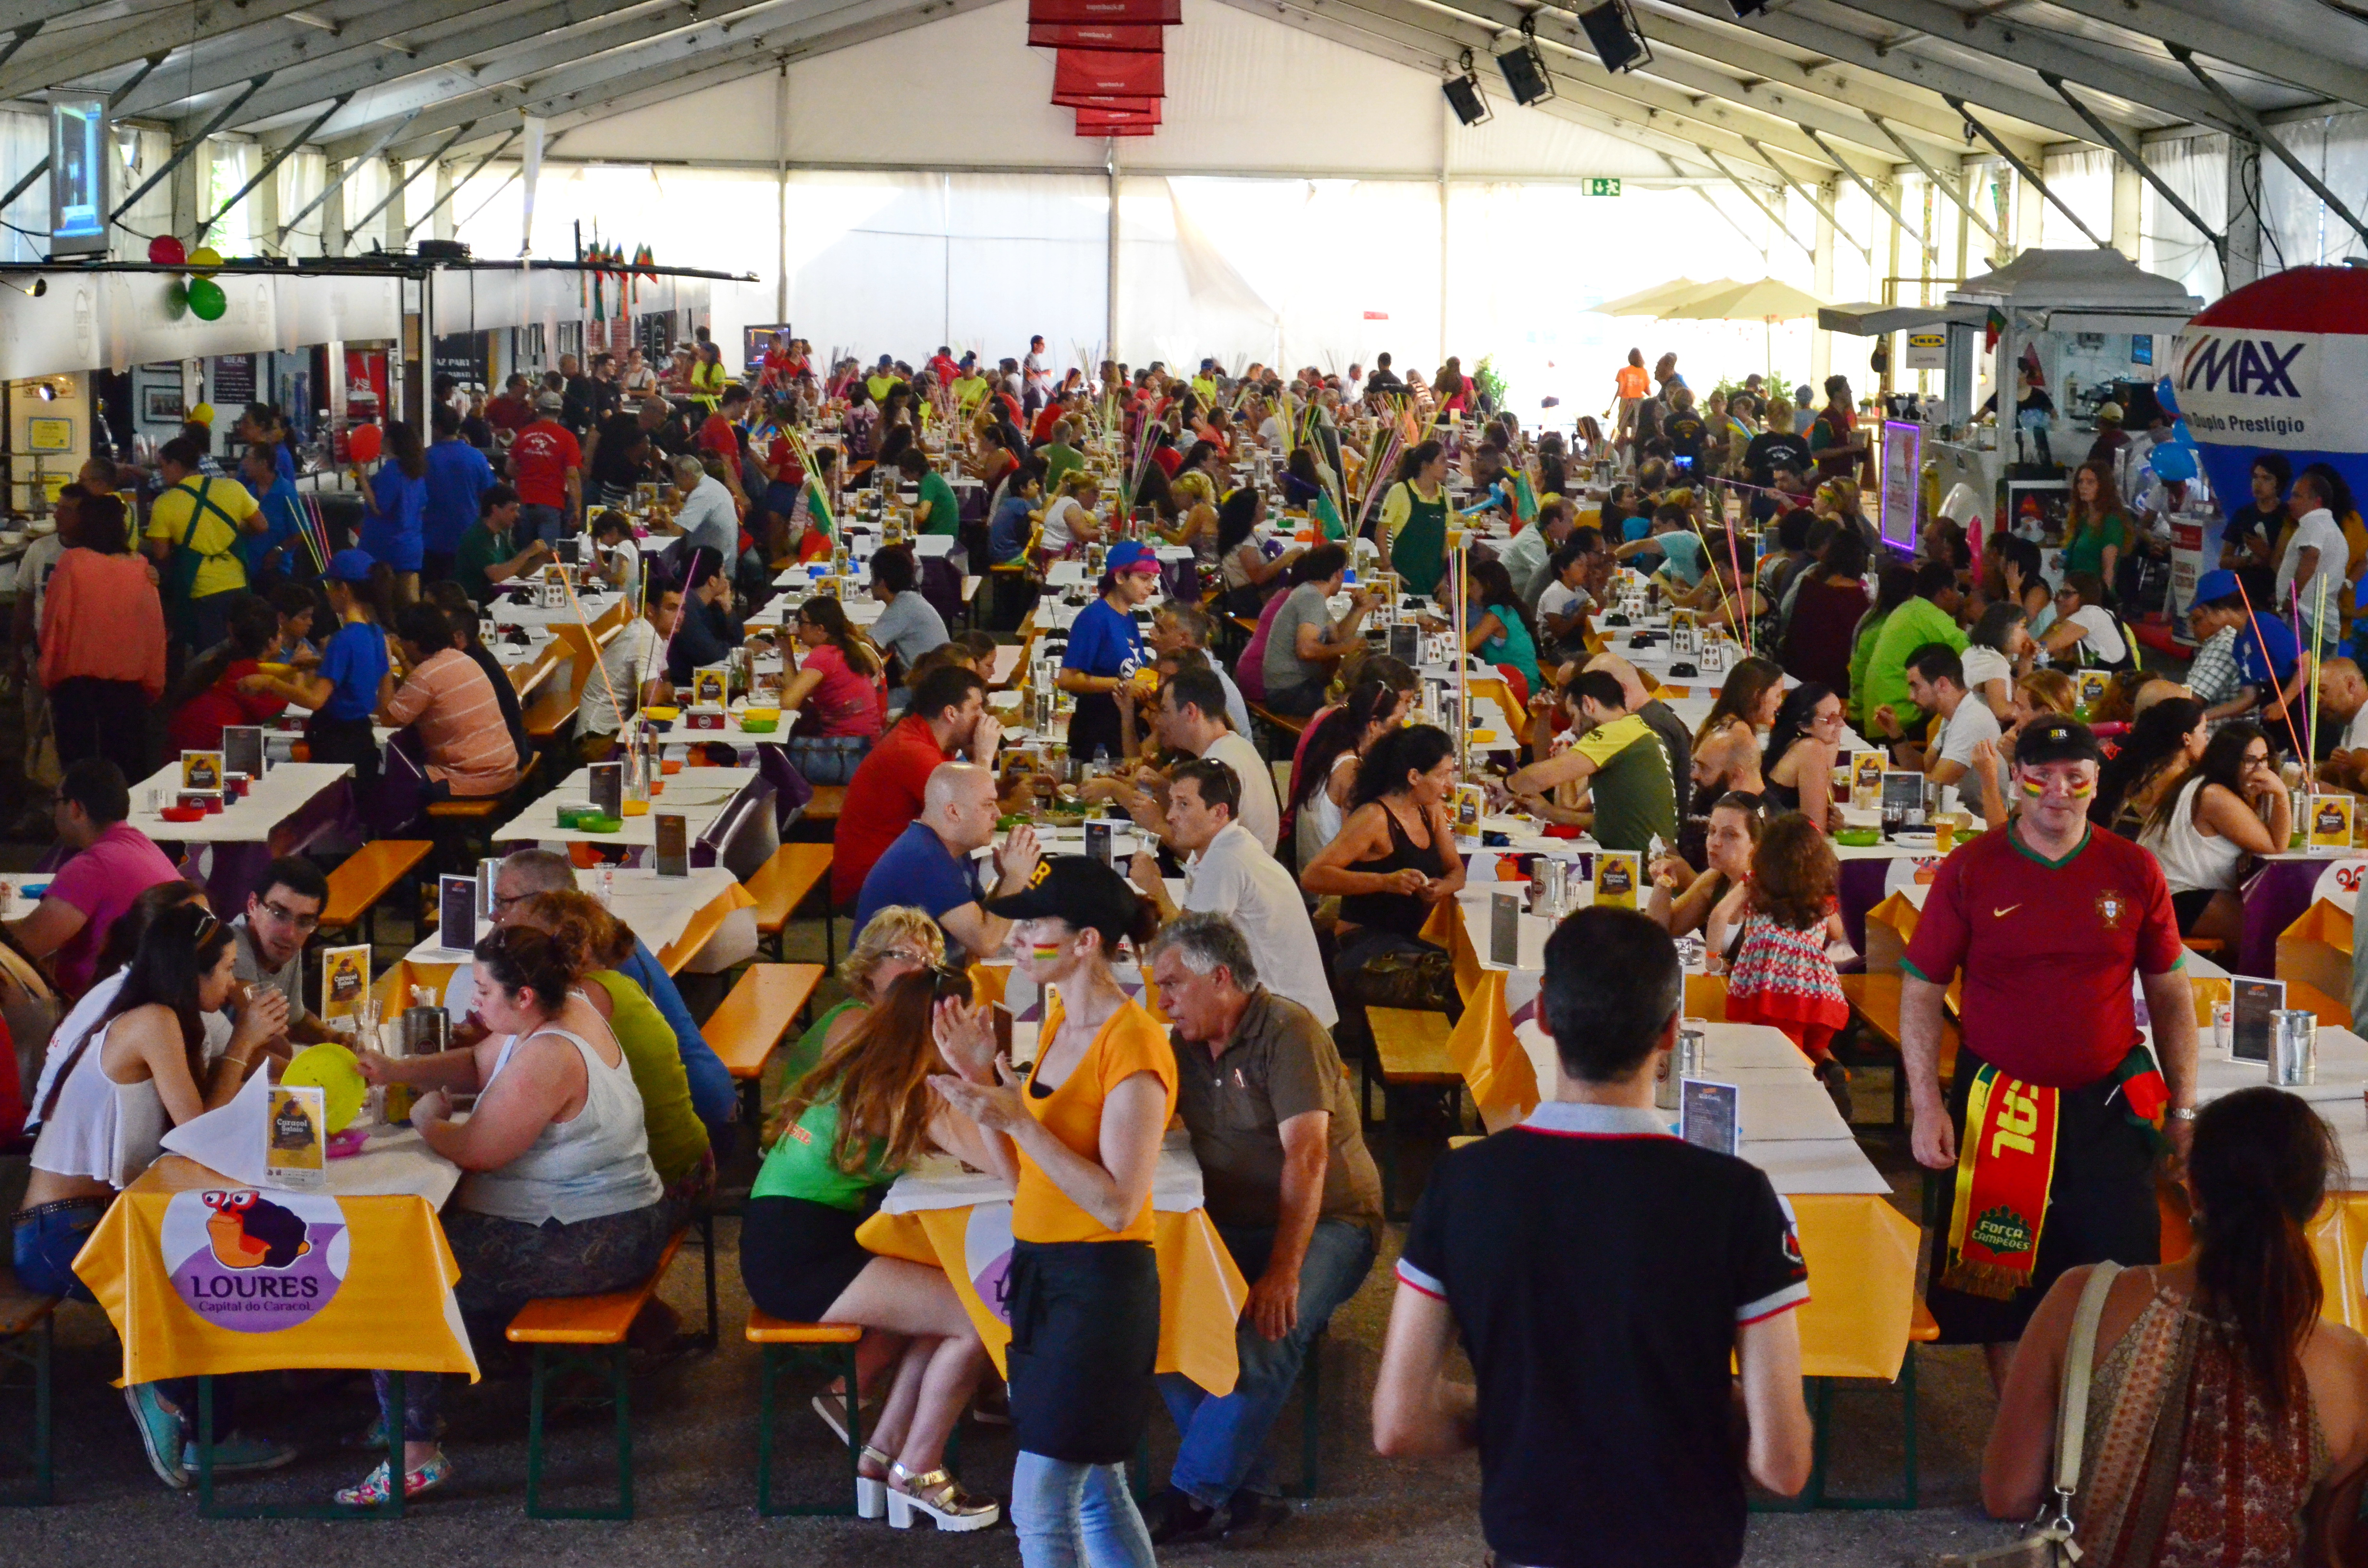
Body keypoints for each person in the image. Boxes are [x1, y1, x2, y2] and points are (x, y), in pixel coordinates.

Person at [1371, 906, 1813, 1566]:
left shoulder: (1463, 1185)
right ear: (1670, 1030)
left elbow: (1400, 1423)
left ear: (1543, 1016)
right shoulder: (1737, 1196)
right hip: (1685, 1541)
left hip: (1535, 1539)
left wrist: (1522, 1405)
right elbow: (1783, 1464)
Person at [1903, 714, 2196, 1384]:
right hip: (2001, 1110)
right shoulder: (1971, 868)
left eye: (2075, 780)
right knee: (1998, 1293)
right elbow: (1921, 990)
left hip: (2107, 1105)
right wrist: (1925, 1104)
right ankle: (2021, 1435)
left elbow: (2173, 995)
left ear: (2097, 784)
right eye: (2040, 781)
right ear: (2016, 781)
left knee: (2120, 1276)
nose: (2057, 795)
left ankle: (2094, 1433)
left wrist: (2184, 1106)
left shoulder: (2133, 868)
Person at [1981, 1088, 2368, 1566]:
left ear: (2192, 1187)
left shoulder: (2082, 1300)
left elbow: (2007, 1495)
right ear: (2315, 1205)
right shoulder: (2348, 1366)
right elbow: (2328, 1550)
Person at [351, 926, 666, 1503]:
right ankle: (415, 1396)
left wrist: (426, 1122)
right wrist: (393, 1072)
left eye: (482, 990)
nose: (473, 1002)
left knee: (397, 1274)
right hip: (615, 1218)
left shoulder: (548, 1054)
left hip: (589, 1238)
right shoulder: (565, 1007)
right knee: (418, 1245)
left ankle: (414, 1454)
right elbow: (476, 1064)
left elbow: (477, 1151)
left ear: (522, 996)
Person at [923, 857, 1173, 1568]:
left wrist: (1021, 1121)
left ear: (1087, 941)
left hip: (1099, 1288)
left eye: (1035, 924)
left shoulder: (1135, 1046)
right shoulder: (1059, 1022)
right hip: (1045, 1276)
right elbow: (1024, 1180)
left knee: (1041, 1501)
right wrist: (982, 1088)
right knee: (1095, 1486)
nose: (1017, 937)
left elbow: (1121, 1203)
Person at [17, 903, 294, 1485]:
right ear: (187, 973)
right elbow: (202, 1140)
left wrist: (254, 1045)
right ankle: (174, 1407)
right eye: (222, 970)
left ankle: (201, 1420)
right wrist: (244, 1041)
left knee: (225, 1264)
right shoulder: (152, 1021)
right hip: (59, 1232)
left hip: (105, 1219)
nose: (231, 982)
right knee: (210, 1282)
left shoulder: (171, 1018)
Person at [1138, 913, 1377, 1546]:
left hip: (1330, 1222)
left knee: (1267, 1335)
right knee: (1160, 1324)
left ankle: (1192, 1495)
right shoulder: (1179, 1044)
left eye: (1172, 986)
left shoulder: (1288, 1031)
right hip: (1230, 1223)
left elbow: (1309, 1157)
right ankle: (1253, 1489)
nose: (1161, 1002)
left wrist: (1283, 1271)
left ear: (1221, 979)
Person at [743, 962, 1007, 1530]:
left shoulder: (874, 1064)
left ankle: (883, 1456)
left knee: (944, 1309)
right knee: (977, 1313)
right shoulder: (912, 1091)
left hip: (785, 1238)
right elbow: (1006, 1165)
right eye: (974, 1017)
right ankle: (920, 1472)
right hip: (799, 1257)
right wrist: (978, 1069)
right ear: (946, 1025)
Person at [444, 849, 734, 1149]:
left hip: (700, 1115)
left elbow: (518, 1070)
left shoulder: (586, 980)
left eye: (504, 902)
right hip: (708, 1095)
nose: (494, 915)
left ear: (544, 903)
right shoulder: (599, 933)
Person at [512, 889, 713, 1223]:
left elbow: (508, 1081)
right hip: (693, 1160)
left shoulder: (579, 999)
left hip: (666, 1180)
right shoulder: (614, 982)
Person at [1128, 759, 1334, 1024]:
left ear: (1218, 812)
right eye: (1172, 802)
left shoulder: (1227, 859)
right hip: (1280, 1012)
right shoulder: (1221, 849)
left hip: (1291, 1027)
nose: (1169, 816)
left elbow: (1190, 948)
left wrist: (1155, 887)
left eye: (1184, 804)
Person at [1303, 725, 1468, 1034]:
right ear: (1414, 776)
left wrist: (1441, 888)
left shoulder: (1429, 809)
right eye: (1443, 775)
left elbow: (1456, 871)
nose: (1449, 785)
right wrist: (1384, 882)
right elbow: (1313, 876)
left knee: (1471, 977)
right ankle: (1424, 1077)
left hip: (1409, 943)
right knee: (1457, 985)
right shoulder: (1374, 818)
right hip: (1365, 950)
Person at [7, 759, 182, 997]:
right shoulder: (140, 845)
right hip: (159, 995)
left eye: (56, 802)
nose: (54, 812)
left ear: (76, 809)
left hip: (120, 1009)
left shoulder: (91, 866)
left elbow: (22, 948)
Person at [833, 663, 1002, 908]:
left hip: (899, 868)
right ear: (951, 713)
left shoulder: (927, 740)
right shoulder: (913, 751)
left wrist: (1008, 787)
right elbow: (971, 823)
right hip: (870, 884)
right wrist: (985, 756)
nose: (983, 719)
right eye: (976, 709)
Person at [1716, 812, 1852, 1109]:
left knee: (1785, 1059)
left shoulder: (1755, 886)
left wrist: (1713, 961)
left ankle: (1793, 1107)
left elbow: (1720, 915)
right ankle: (1832, 1071)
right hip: (1818, 991)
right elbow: (1838, 931)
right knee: (1816, 1045)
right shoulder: (1819, 896)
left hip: (1775, 992)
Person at [855, 762, 1041, 962]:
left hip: (920, 978)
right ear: (953, 812)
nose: (998, 814)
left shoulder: (949, 847)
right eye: (988, 804)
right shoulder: (926, 860)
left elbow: (981, 919)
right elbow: (986, 944)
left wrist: (1005, 878)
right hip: (892, 989)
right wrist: (1015, 879)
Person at [238, 550, 391, 785]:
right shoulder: (377, 634)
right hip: (363, 737)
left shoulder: (343, 639)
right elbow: (383, 694)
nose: (327, 594)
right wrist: (321, 663)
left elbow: (315, 700)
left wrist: (270, 682)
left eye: (330, 586)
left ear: (345, 590)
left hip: (334, 742)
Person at [41, 493, 166, 780]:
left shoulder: (72, 562)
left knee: (80, 772)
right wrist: (154, 683)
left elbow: (54, 624)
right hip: (128, 688)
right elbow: (153, 630)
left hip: (76, 688)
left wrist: (47, 674)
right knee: (128, 771)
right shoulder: (140, 567)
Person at [2138, 723, 2288, 945]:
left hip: (2164, 894)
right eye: (2250, 761)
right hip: (2175, 898)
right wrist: (2281, 793)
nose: (2261, 770)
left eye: (2264, 759)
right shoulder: (2214, 795)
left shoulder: (2197, 781)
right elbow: (2277, 845)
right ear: (2228, 761)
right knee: (2269, 937)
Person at [1505, 669, 1678, 854]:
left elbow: (1539, 778)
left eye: (1574, 717)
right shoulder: (1635, 730)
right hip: (1637, 861)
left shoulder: (1617, 733)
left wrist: (1506, 786)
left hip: (1637, 871)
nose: (1574, 728)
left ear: (1588, 705)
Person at [382, 601, 521, 801]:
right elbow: (424, 689)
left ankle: (419, 833)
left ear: (413, 643)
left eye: (402, 641)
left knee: (390, 781)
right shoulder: (463, 659)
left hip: (470, 781)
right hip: (504, 770)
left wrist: (385, 665)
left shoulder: (426, 674)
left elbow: (388, 719)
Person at [1138, 666, 1280, 854]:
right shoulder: (1235, 745)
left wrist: (1156, 824)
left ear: (1190, 711)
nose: (1159, 722)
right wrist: (1165, 788)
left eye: (1165, 711)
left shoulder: (1219, 764)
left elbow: (1205, 857)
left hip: (1237, 879)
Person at [144, 434, 259, 650]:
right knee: (243, 652)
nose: (161, 473)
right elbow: (261, 526)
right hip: (239, 584)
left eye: (163, 466)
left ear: (176, 465)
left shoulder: (165, 503)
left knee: (211, 658)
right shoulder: (232, 488)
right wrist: (231, 532)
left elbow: (161, 554)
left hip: (201, 591)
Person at [1059, 540, 1158, 766]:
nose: (1151, 586)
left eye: (1153, 579)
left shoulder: (1128, 617)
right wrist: (1123, 685)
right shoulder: (1094, 618)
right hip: (1096, 732)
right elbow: (1066, 679)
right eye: (1144, 579)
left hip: (1120, 725)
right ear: (1120, 578)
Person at [776, 595, 886, 785]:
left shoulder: (823, 655)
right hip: (867, 748)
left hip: (847, 754)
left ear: (820, 629)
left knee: (771, 756)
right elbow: (797, 691)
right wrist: (787, 651)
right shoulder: (846, 647)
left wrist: (786, 657)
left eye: (801, 622)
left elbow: (787, 703)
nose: (797, 628)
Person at [231, 855, 339, 1048]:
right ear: (253, 905)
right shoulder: (229, 946)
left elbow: (295, 1021)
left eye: (304, 921)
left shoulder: (283, 945)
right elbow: (270, 1036)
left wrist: (335, 1038)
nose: (290, 933)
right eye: (278, 914)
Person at [1259, 544, 1374, 718]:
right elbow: (1306, 650)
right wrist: (1346, 649)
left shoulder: (1310, 593)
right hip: (1288, 693)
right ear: (1338, 573)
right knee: (1359, 706)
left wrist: (1358, 609)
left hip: (1290, 687)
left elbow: (1338, 637)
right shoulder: (1311, 597)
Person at [1872, 643, 1999, 793]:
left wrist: (1882, 772)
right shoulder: (1953, 715)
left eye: (1916, 686)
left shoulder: (1972, 720)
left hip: (1976, 815)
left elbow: (1935, 786)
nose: (1911, 696)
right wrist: (1896, 735)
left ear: (1942, 684)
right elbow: (1923, 767)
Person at [574, 578, 677, 761]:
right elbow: (653, 698)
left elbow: (667, 686)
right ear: (651, 610)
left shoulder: (656, 634)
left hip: (619, 731)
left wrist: (663, 690)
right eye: (672, 608)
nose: (680, 616)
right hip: (598, 740)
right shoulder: (644, 638)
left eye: (682, 609)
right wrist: (663, 691)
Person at [1859, 560, 1966, 731]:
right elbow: (1971, 656)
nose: (1959, 597)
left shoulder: (1907, 608)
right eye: (1956, 590)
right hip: (1898, 718)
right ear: (1945, 592)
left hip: (1876, 715)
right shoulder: (1932, 617)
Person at [2184, 569, 2298, 724]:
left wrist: (2283, 703)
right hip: (2273, 712)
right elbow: (2250, 696)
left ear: (2219, 609)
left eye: (2203, 613)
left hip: (2299, 708)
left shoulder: (2264, 624)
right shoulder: (2239, 642)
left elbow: (2306, 663)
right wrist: (2204, 717)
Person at [1649, 790, 1761, 938]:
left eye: (1730, 835)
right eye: (1712, 831)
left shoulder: (1769, 891)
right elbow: (1656, 936)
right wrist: (1663, 882)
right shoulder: (1716, 880)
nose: (1715, 842)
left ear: (1756, 845)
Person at [1688, 657, 1782, 812]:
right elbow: (1756, 794)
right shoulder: (1740, 735)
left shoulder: (1718, 721)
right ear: (1757, 696)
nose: (1779, 703)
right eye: (1777, 695)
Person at [1147, 602, 1253, 735]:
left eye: (1161, 630)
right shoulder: (1192, 664)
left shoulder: (1198, 675)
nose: (1151, 632)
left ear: (1183, 639)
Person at [2279, 467, 2352, 654]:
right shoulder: (2335, 532)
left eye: (2297, 496)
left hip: (2305, 618)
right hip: (2324, 622)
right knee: (2320, 681)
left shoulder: (2314, 522)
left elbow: (2311, 558)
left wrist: (2291, 598)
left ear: (2317, 502)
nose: (2290, 502)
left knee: (2299, 679)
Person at [422, 404, 497, 585]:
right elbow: (490, 495)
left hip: (432, 540)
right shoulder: (477, 458)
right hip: (469, 537)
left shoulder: (425, 459)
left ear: (437, 428)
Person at [867, 545, 950, 687]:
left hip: (928, 690)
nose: (869, 583)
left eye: (872, 577)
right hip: (939, 682)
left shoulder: (901, 608)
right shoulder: (909, 600)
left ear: (882, 582)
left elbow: (867, 647)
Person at [1760, 682, 1843, 825]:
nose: (1842, 724)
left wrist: (1833, 822)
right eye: (1831, 719)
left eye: (1841, 715)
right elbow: (1815, 830)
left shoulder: (1789, 745)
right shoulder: (1811, 749)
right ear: (1804, 726)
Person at [453, 483, 549, 604]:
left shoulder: (499, 535)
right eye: (513, 510)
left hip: (491, 600)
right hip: (477, 603)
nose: (517, 515)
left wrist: (542, 559)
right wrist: (527, 553)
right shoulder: (478, 537)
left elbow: (520, 571)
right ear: (495, 509)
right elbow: (496, 576)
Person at [1377, 441, 1450, 595]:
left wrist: (1446, 577)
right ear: (1426, 465)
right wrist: (1389, 570)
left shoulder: (1445, 495)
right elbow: (1381, 535)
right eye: (1442, 461)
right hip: (1405, 579)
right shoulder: (1400, 492)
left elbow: (1446, 542)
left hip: (1435, 582)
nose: (1447, 467)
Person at [2218, 453, 2289, 609]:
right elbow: (2224, 560)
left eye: (2267, 479)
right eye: (2256, 477)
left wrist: (2267, 554)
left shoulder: (2288, 517)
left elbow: (2293, 565)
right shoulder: (2243, 514)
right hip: (2244, 594)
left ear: (2279, 483)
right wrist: (2248, 561)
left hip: (2276, 597)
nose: (2258, 484)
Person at [2062, 462, 2135, 591]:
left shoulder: (2111, 522)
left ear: (2103, 486)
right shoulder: (2083, 520)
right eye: (2080, 482)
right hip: (2074, 592)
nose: (2083, 487)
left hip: (2094, 596)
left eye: (2090, 482)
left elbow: (2108, 571)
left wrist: (2102, 605)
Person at [2039, 571, 2132, 671]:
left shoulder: (2090, 614)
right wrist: (2059, 620)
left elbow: (2041, 649)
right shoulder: (2099, 614)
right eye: (2060, 593)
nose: (2060, 599)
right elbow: (2047, 653)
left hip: (2118, 682)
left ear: (2084, 596)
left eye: (2067, 594)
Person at [1960, 600, 2031, 721]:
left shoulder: (1976, 652)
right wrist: (2034, 713)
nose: (2027, 635)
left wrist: (2026, 660)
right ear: (2003, 630)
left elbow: (2019, 696)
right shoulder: (1993, 663)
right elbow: (2002, 711)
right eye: (2023, 627)